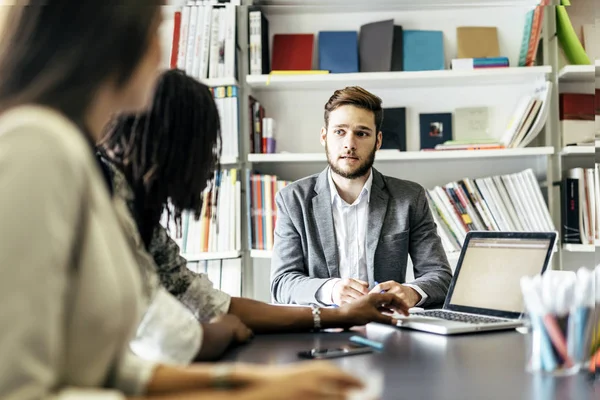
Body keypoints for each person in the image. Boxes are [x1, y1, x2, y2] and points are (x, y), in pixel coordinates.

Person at [0, 3, 365, 399]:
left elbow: (122, 373)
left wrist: (250, 382)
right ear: (112, 41)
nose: (162, 54)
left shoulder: (81, 165)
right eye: (156, 32)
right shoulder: (35, 145)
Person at [98, 69, 409, 362]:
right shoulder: (104, 195)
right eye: (204, 148)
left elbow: (203, 298)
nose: (208, 165)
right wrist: (209, 336)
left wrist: (341, 315)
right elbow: (157, 332)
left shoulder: (141, 214)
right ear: (173, 143)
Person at [270, 86, 453, 308]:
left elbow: (440, 276)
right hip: (322, 329)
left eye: (362, 133)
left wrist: (412, 292)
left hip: (387, 326)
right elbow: (282, 283)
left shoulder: (409, 198)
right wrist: (332, 290)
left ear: (378, 141)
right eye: (340, 131)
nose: (350, 144)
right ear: (324, 136)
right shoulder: (292, 200)